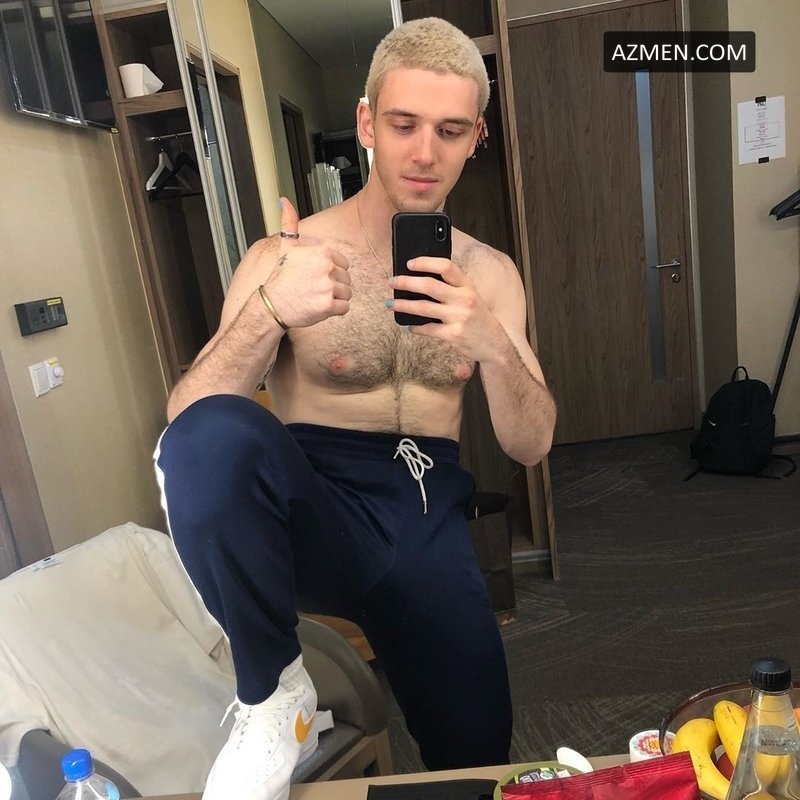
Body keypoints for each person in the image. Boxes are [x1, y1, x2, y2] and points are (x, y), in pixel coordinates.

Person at [154, 16, 556, 800]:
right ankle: (272, 696)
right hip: (318, 507)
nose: (424, 152)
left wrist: (491, 344)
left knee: (477, 759)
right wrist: (271, 309)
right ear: (367, 123)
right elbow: (187, 428)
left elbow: (531, 444)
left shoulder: (491, 275)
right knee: (216, 432)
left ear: (476, 137)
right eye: (404, 124)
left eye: (450, 131)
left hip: (426, 518)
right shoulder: (285, 256)